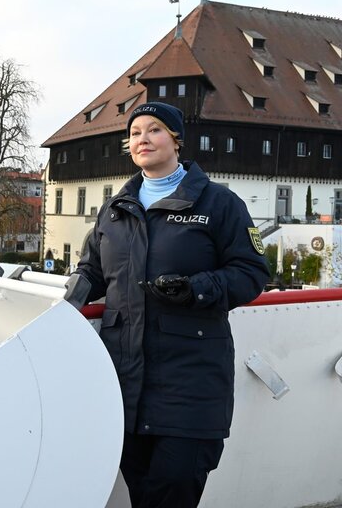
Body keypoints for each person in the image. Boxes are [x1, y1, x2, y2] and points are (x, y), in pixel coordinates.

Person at [73, 102, 269, 508]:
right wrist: (65, 304)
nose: (143, 139)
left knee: (174, 488)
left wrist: (197, 289)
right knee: (143, 492)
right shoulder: (115, 209)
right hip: (125, 384)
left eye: (155, 130)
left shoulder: (218, 204)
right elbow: (91, 270)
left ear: (176, 141)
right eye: (135, 132)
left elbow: (252, 272)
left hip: (190, 384)